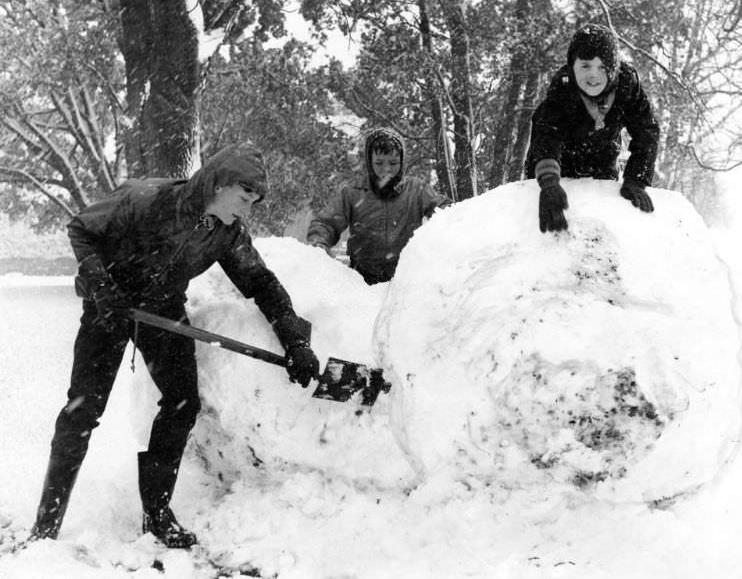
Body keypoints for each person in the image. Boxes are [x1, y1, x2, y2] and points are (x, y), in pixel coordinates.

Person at [29, 143, 320, 548]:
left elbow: (261, 283)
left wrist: (294, 340)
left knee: (183, 402)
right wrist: (100, 286)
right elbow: (81, 228)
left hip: (161, 309)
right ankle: (46, 524)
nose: (246, 210)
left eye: (253, 202)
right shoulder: (147, 198)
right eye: (243, 198)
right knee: (83, 410)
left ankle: (158, 515)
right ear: (218, 184)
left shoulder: (225, 233)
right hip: (107, 306)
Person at [525, 23, 660, 233]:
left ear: (613, 68)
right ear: (572, 65)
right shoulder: (563, 87)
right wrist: (549, 181)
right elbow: (547, 134)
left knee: (598, 217)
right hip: (559, 159)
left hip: (602, 158)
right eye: (585, 66)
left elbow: (647, 133)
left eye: (602, 67)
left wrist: (636, 179)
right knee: (547, 211)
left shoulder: (627, 86)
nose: (593, 75)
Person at [306, 127, 450, 284]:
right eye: (379, 163)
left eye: (393, 163)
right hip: (361, 280)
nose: (386, 169)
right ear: (369, 161)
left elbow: (447, 212)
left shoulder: (416, 190)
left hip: (405, 281)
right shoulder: (353, 192)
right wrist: (319, 243)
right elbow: (326, 223)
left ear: (402, 162)